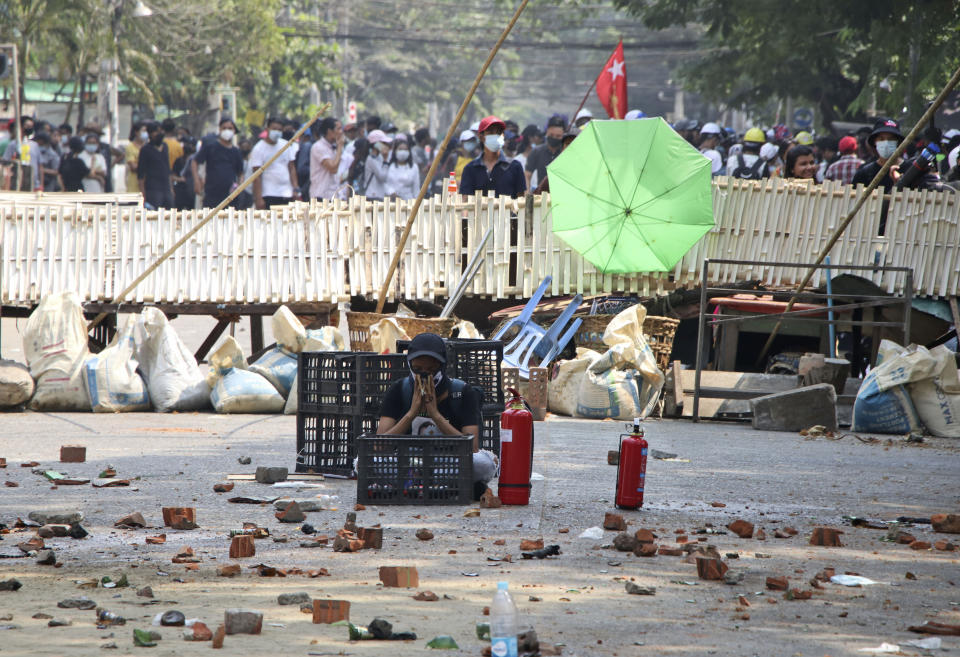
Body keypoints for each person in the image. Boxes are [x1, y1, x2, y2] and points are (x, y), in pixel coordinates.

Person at [377, 333, 498, 500]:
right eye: (418, 369)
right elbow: (380, 446)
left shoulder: (462, 392)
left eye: (431, 370)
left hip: (448, 462)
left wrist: (435, 415)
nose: (424, 375)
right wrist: (411, 413)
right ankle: (453, 486)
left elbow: (472, 446)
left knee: (483, 464)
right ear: (409, 364)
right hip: (410, 462)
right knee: (363, 463)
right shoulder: (399, 390)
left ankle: (420, 485)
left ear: (442, 366)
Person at [460, 115, 526, 198]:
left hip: (508, 211)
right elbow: (465, 201)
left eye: (499, 132)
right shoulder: (470, 169)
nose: (495, 136)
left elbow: (521, 200)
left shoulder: (515, 166)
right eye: (491, 132)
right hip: (478, 211)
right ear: (481, 137)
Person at [192, 117, 243, 208]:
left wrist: (239, 188)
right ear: (219, 129)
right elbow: (195, 162)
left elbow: (240, 173)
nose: (227, 130)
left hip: (231, 196)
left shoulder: (236, 151)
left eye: (230, 128)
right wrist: (196, 181)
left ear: (234, 130)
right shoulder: (210, 147)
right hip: (212, 194)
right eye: (224, 128)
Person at [251, 116, 300, 209]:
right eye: (274, 129)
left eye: (279, 130)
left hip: (287, 193)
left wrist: (295, 188)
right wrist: (258, 198)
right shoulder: (258, 148)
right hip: (269, 194)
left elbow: (292, 168)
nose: (277, 132)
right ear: (267, 129)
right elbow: (256, 176)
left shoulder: (286, 145)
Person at [851, 118, 903, 191]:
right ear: (875, 141)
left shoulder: (911, 170)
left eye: (891, 139)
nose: (886, 143)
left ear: (898, 142)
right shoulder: (864, 173)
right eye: (881, 139)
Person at [137, 121, 174, 209]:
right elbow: (141, 175)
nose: (159, 134)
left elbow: (167, 169)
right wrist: (143, 194)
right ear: (150, 134)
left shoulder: (165, 146)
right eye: (156, 131)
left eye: (160, 131)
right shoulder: (145, 150)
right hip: (153, 190)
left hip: (166, 189)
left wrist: (171, 188)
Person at [309, 117, 344, 201]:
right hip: (321, 195)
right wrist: (340, 147)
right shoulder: (318, 147)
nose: (341, 132)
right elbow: (333, 168)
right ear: (330, 131)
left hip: (332, 195)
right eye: (338, 129)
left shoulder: (332, 148)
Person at [525, 115, 564, 189]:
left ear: (563, 135)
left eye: (558, 136)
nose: (554, 138)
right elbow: (527, 175)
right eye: (551, 135)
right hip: (541, 196)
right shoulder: (537, 151)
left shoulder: (565, 153)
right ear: (547, 132)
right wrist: (527, 193)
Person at [385, 134, 420, 200]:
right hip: (392, 202)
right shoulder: (390, 166)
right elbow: (385, 184)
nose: (403, 152)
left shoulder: (414, 167)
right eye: (400, 149)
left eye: (405, 149)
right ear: (395, 151)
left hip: (408, 201)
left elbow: (416, 188)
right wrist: (392, 193)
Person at [362, 129, 392, 200]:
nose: (386, 145)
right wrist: (385, 160)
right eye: (383, 143)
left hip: (379, 194)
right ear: (376, 144)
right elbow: (382, 177)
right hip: (373, 195)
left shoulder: (379, 157)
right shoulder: (371, 158)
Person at [173, 136, 198, 210]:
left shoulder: (197, 161)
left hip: (193, 192)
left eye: (191, 145)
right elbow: (172, 176)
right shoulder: (179, 160)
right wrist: (181, 179)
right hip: (180, 192)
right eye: (187, 144)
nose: (189, 147)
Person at [125, 121, 147, 194]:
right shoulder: (130, 147)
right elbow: (133, 167)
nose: (146, 133)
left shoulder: (148, 147)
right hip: (134, 184)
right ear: (136, 132)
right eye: (143, 131)